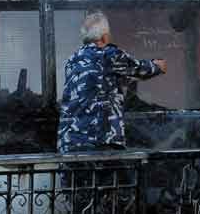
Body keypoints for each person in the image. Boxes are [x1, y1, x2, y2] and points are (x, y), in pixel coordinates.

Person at [56, 11, 167, 154]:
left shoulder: (72, 60)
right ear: (104, 36)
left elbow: (101, 81)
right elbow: (140, 69)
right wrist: (158, 66)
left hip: (69, 144)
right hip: (98, 143)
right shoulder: (109, 54)